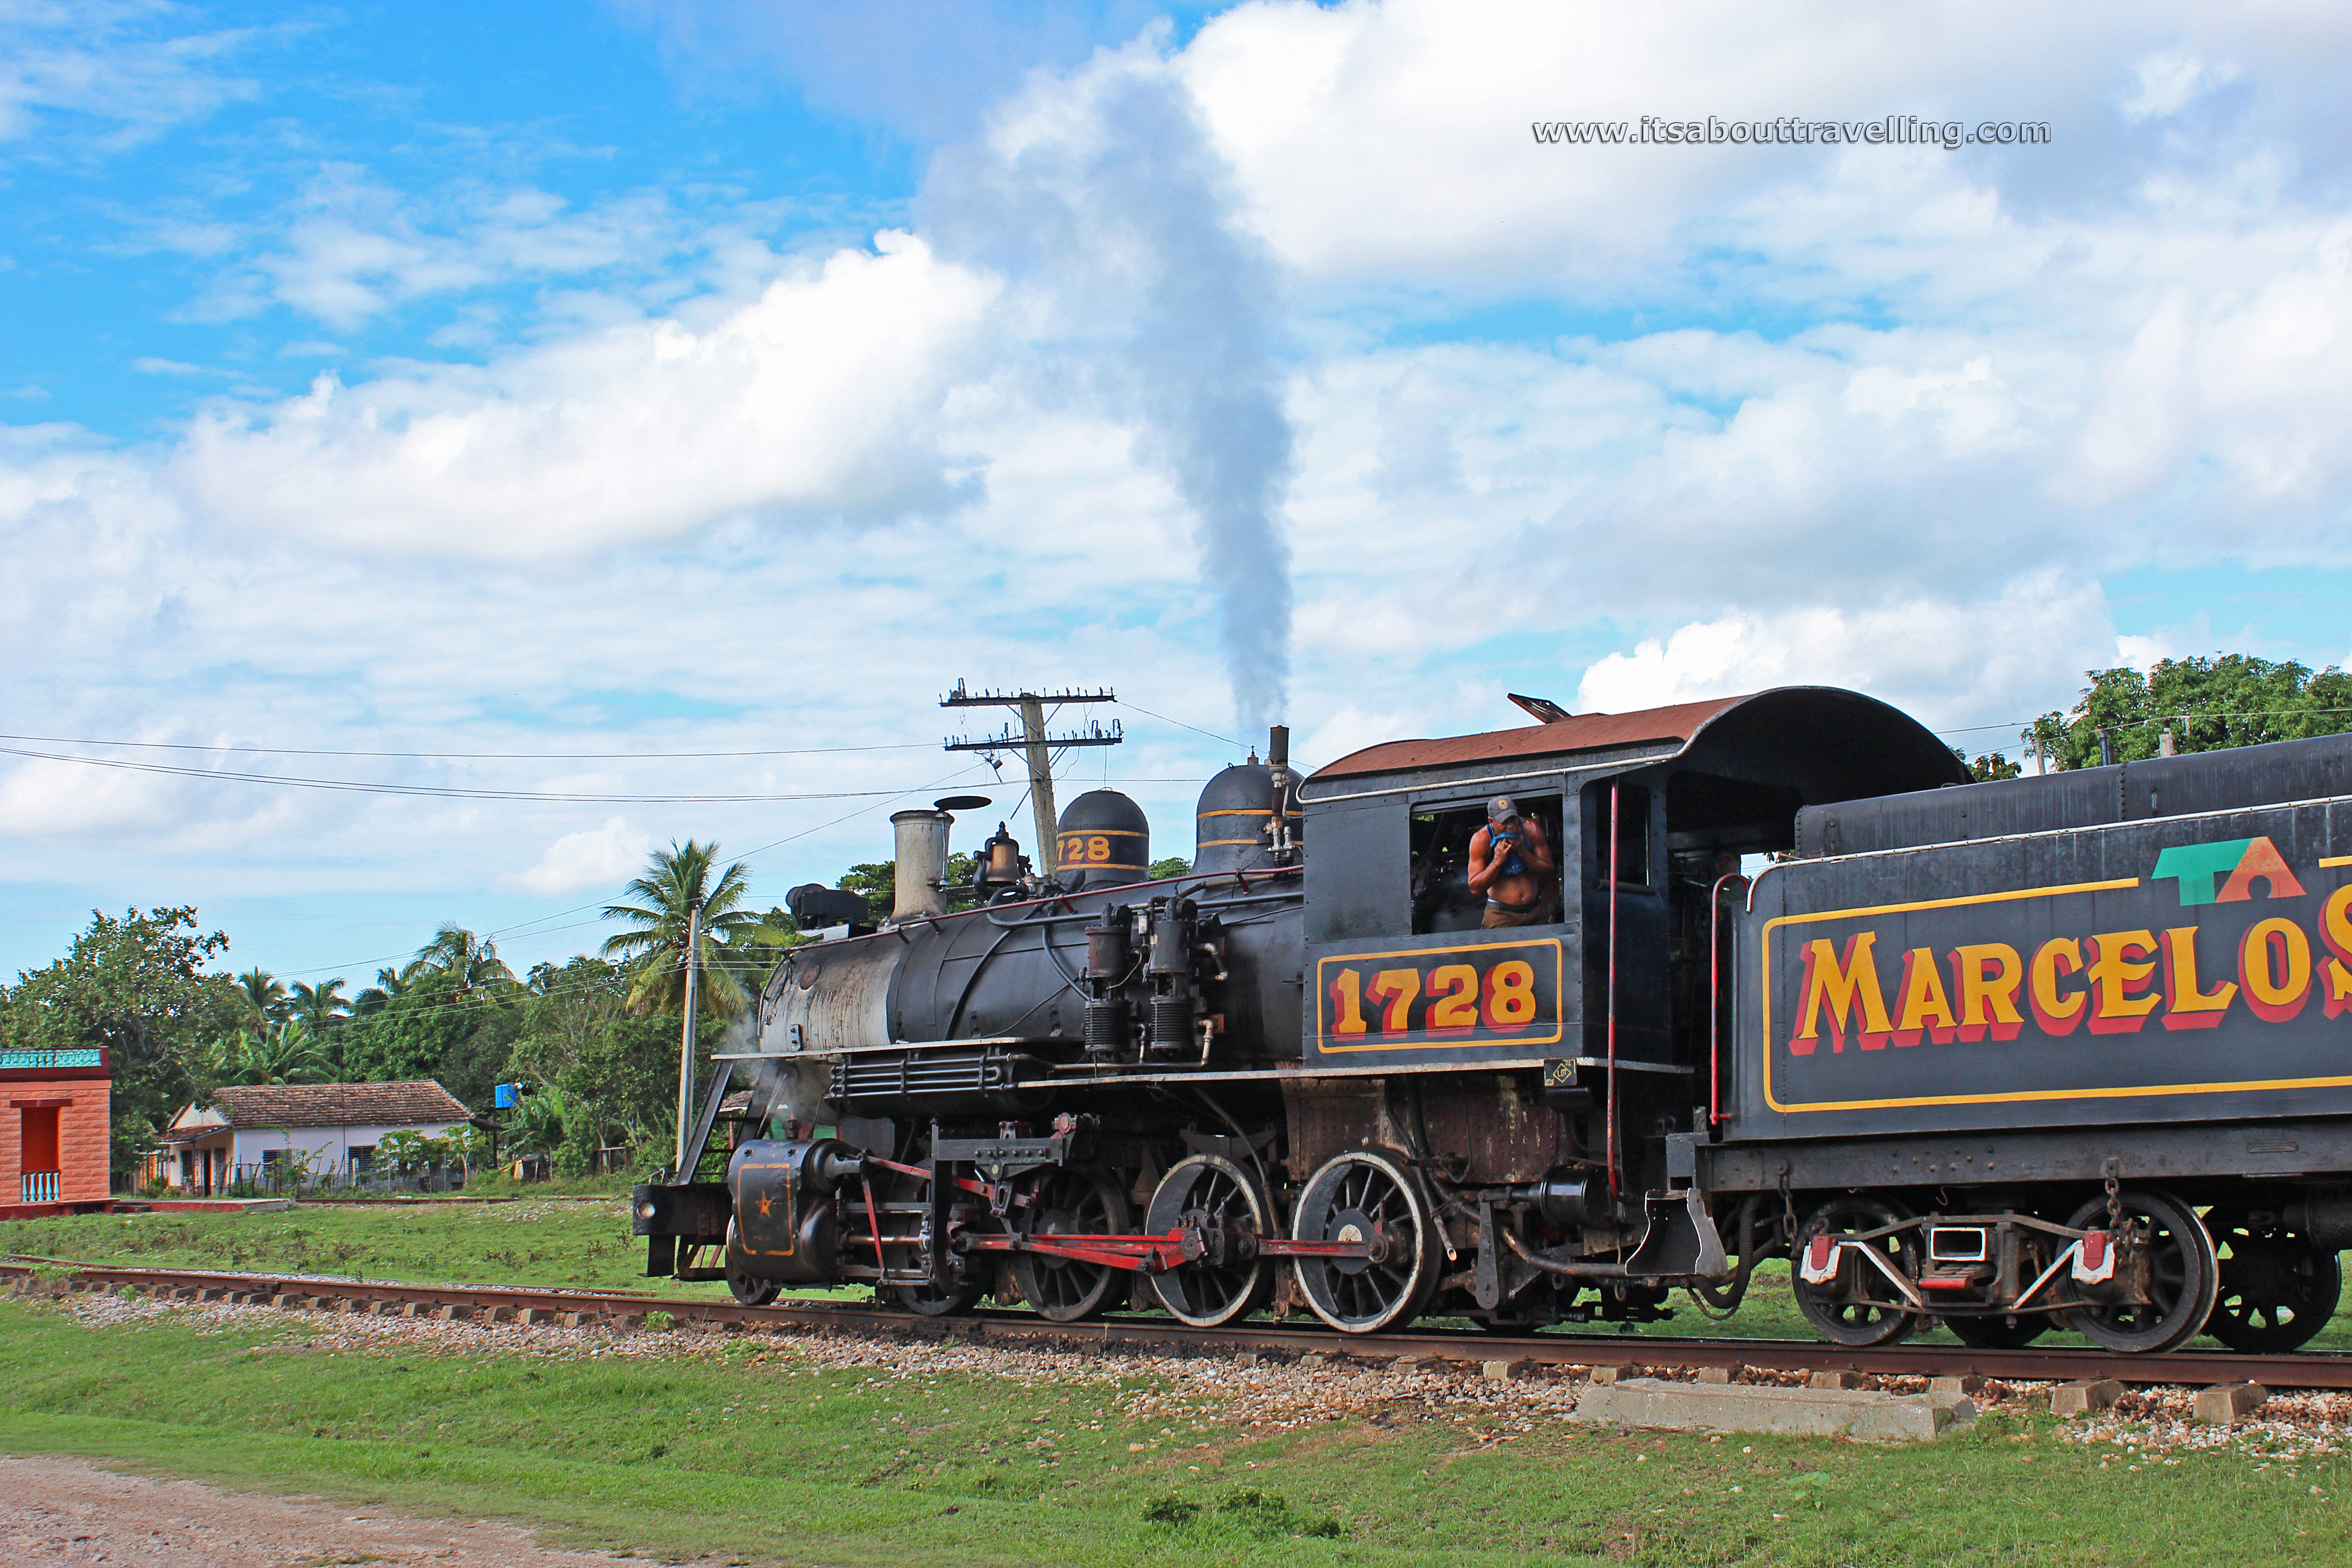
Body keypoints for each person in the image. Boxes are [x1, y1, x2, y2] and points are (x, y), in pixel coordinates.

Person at [1468, 795, 1558, 927]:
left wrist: (1523, 852)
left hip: (1535, 911)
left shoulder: (1531, 828)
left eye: (1513, 819)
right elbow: (1475, 888)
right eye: (1504, 822)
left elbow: (1549, 871)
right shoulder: (1481, 840)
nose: (1510, 826)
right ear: (1492, 821)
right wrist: (1497, 862)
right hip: (1502, 915)